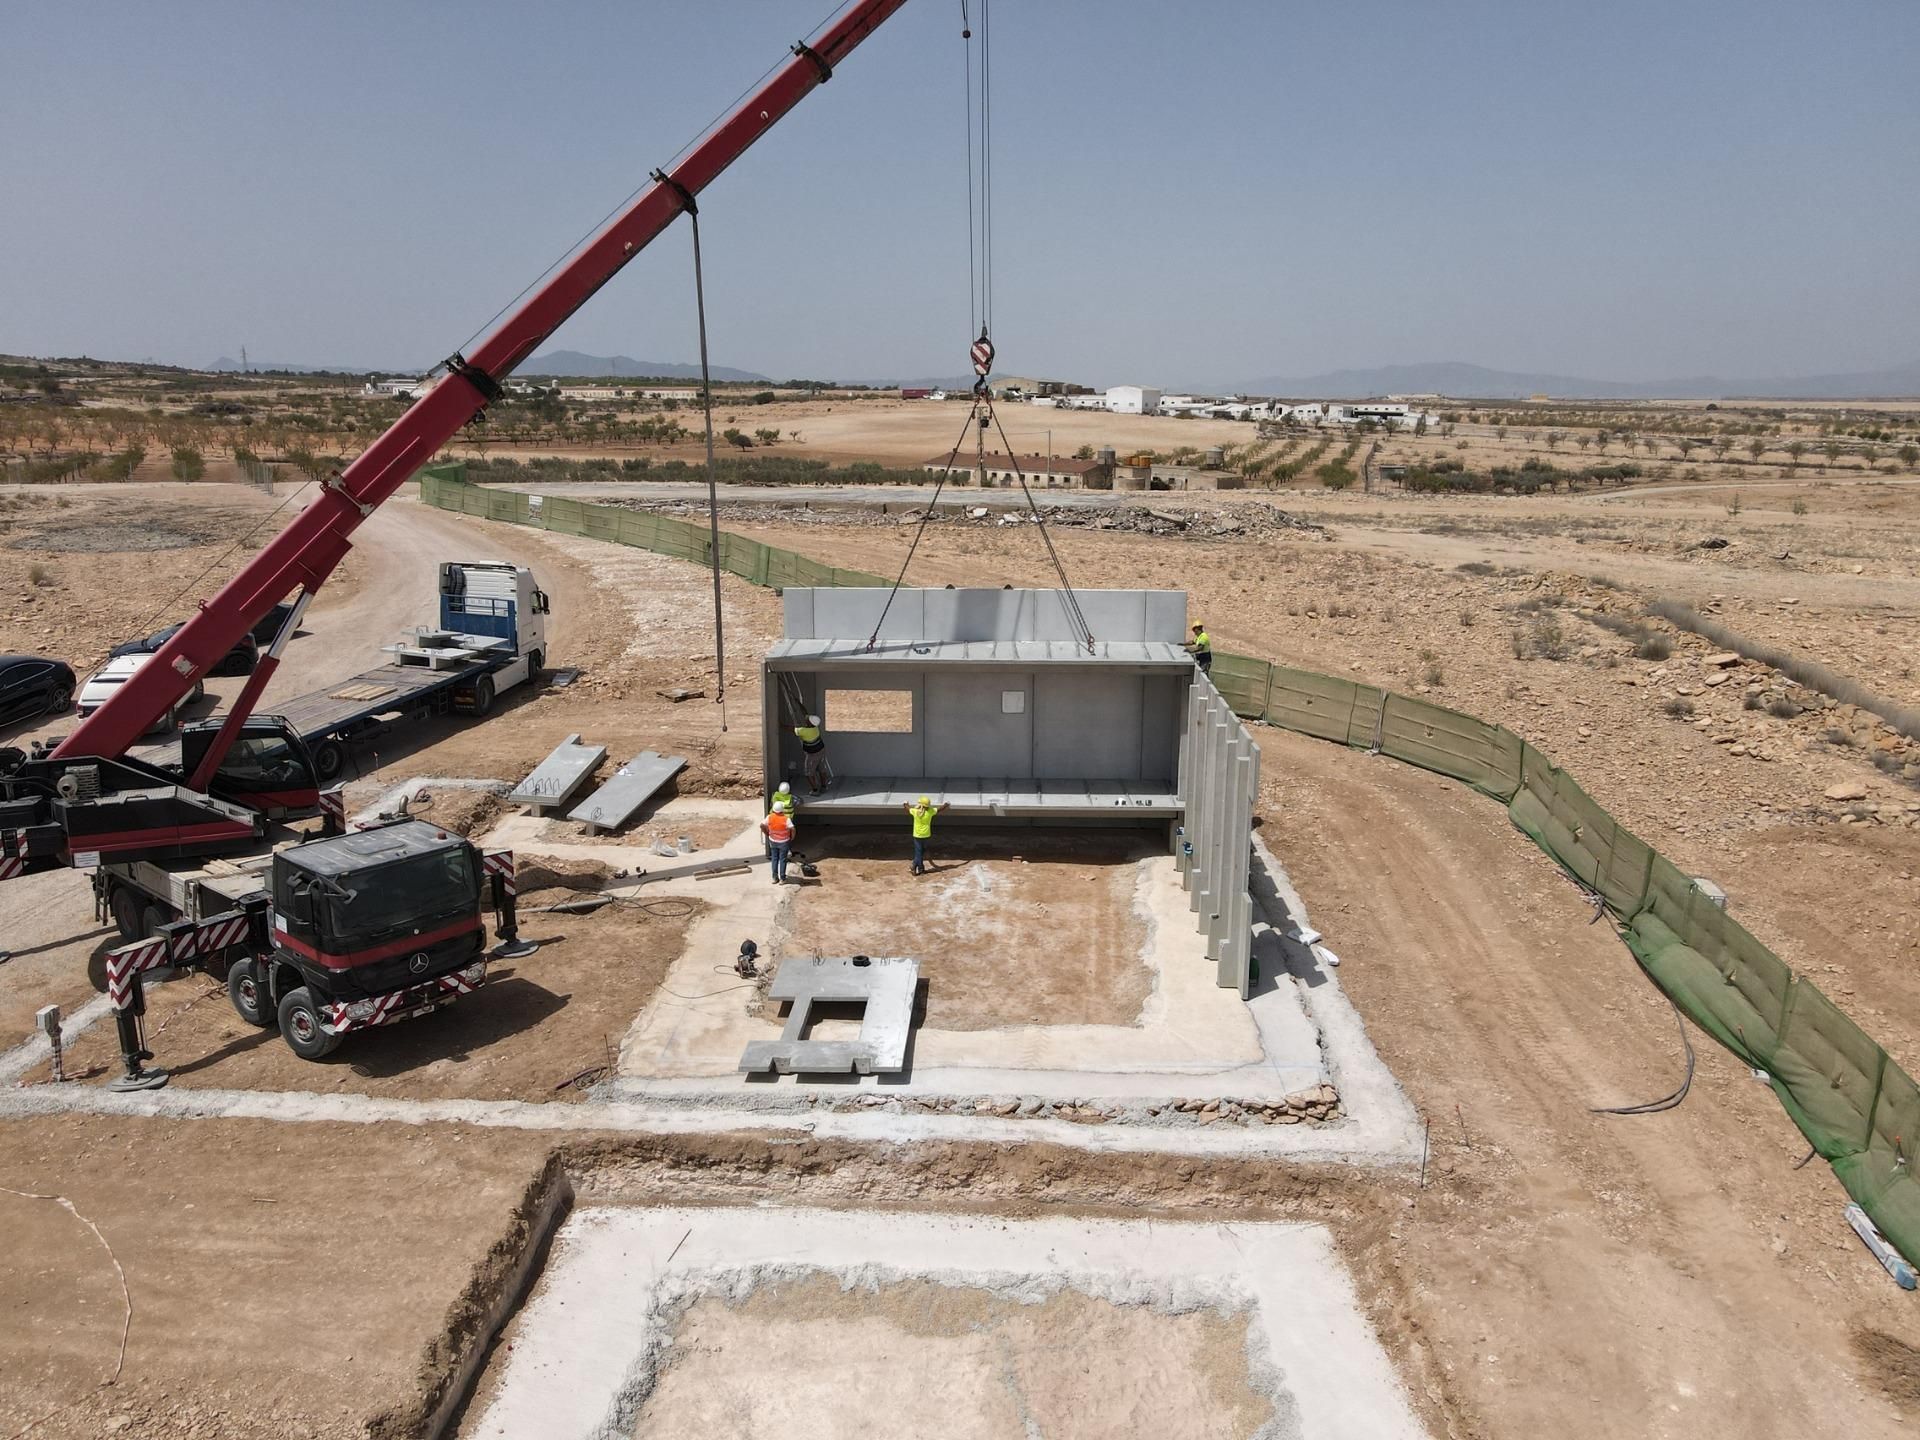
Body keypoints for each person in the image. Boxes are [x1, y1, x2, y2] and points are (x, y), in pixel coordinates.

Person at [904, 795, 944, 875]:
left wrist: (905, 803)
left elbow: (907, 809)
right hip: (926, 835)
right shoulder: (930, 811)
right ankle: (919, 868)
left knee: (918, 852)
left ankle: (917, 868)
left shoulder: (915, 812)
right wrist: (946, 804)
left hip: (917, 835)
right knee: (921, 852)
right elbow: (939, 809)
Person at [793, 713, 829, 794]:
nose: (806, 719)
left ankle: (815, 790)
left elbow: (790, 729)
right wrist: (798, 703)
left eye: (808, 720)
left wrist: (780, 724)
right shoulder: (815, 728)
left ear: (810, 723)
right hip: (821, 750)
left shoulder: (803, 731)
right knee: (822, 769)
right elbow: (805, 713)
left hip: (812, 754)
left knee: (809, 773)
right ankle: (824, 786)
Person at [760, 803, 795, 885]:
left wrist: (767, 833)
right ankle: (782, 879)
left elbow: (761, 825)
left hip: (773, 841)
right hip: (784, 842)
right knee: (783, 859)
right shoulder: (786, 819)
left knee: (774, 859)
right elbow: (793, 829)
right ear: (782, 810)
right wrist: (792, 837)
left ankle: (775, 878)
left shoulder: (769, 817)